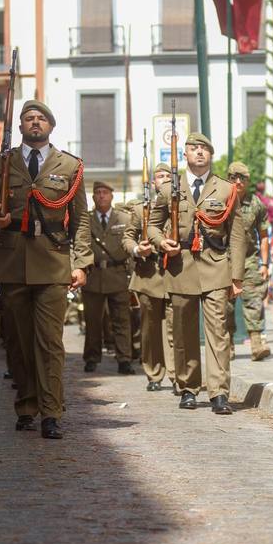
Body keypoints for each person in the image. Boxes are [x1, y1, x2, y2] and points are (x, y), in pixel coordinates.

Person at [0, 100, 93, 439]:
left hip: (53, 260)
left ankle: (51, 411)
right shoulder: (2, 162)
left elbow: (81, 218)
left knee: (50, 341)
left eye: (41, 118)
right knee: (19, 340)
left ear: (51, 126)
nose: (35, 122)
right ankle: (27, 404)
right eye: (29, 118)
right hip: (12, 261)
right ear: (22, 125)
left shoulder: (69, 166)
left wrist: (81, 262)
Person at [148, 132, 245, 415]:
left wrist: (236, 276)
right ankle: (189, 387)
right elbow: (153, 225)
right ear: (185, 154)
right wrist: (160, 241)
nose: (199, 152)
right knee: (184, 331)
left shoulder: (226, 190)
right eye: (194, 148)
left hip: (215, 267)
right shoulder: (170, 189)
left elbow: (236, 235)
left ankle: (219, 393)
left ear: (211, 155)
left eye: (204, 149)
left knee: (218, 331)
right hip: (181, 267)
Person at [124, 162, 176, 393]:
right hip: (148, 274)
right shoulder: (139, 209)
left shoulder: (180, 205)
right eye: (159, 176)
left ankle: (178, 375)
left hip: (175, 273)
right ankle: (154, 373)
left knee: (176, 329)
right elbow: (127, 238)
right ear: (153, 182)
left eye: (168, 175)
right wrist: (137, 249)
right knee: (150, 329)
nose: (164, 179)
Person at [81, 181, 134, 375]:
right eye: (98, 193)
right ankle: (91, 358)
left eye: (105, 192)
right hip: (93, 276)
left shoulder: (124, 218)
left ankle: (124, 359)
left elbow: (130, 246)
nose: (101, 196)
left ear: (112, 196)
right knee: (93, 321)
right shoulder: (85, 220)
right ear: (93, 197)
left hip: (117, 275)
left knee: (121, 320)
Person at [225, 162, 271, 362]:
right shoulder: (221, 201)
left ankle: (256, 344)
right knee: (224, 306)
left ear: (248, 180)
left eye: (242, 178)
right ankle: (228, 347)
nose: (238, 181)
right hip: (224, 259)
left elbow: (264, 236)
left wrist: (264, 264)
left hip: (250, 259)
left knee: (253, 300)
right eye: (234, 177)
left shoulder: (256, 204)